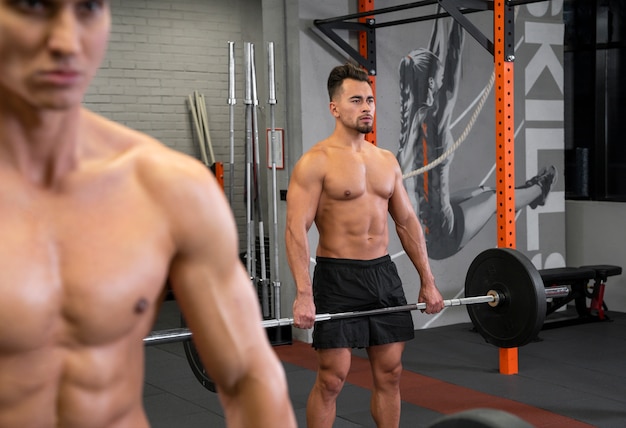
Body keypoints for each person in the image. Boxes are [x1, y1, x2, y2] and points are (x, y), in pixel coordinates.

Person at [0, 2, 296, 427]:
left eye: (88, 8)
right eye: (32, 5)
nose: (66, 40)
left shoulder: (165, 188)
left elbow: (249, 376)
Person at [286, 63, 445, 428]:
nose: (366, 107)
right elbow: (296, 229)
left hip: (382, 274)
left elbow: (406, 222)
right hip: (338, 277)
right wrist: (304, 293)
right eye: (356, 100)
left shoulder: (385, 160)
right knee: (332, 378)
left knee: (390, 373)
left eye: (370, 99)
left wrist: (428, 280)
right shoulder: (315, 162)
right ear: (335, 108)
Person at [397, 16, 557, 260]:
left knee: (481, 190)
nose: (441, 86)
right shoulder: (433, 124)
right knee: (495, 198)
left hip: (420, 228)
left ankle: (526, 189)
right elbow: (449, 73)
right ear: (431, 83)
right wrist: (457, 18)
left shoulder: (407, 125)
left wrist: (445, 12)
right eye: (437, 82)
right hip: (442, 236)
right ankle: (539, 189)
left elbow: (433, 58)